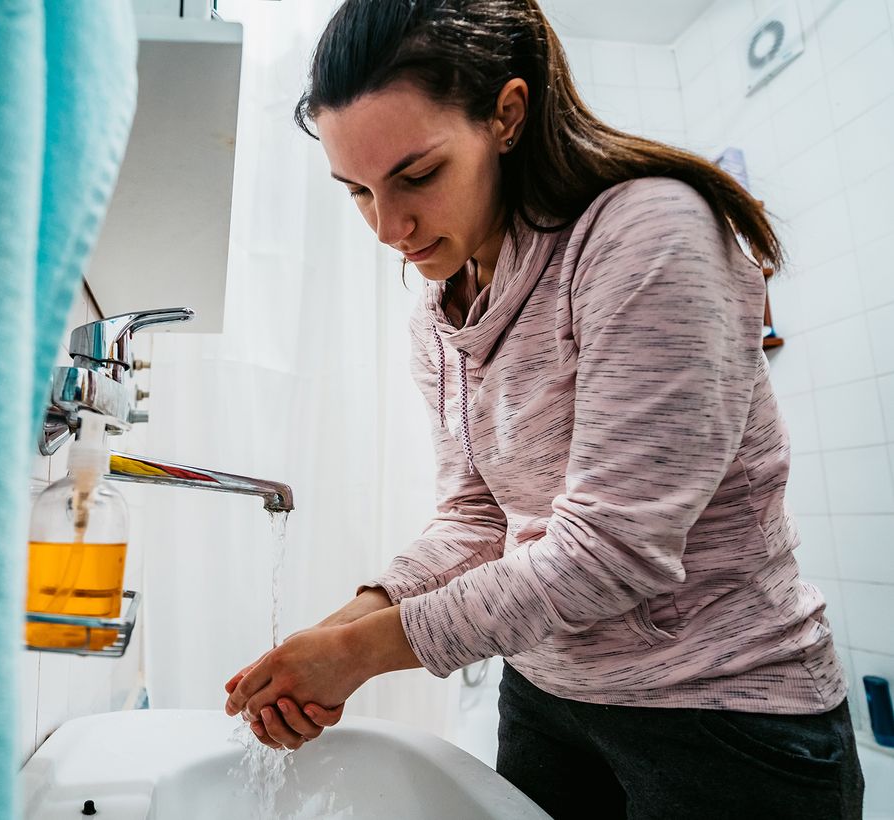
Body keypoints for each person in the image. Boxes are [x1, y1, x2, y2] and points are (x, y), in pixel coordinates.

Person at [222, 1, 866, 816]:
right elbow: (476, 516)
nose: (388, 227)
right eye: (358, 191)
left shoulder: (645, 233)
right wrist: (343, 627)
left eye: (417, 176)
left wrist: (360, 654)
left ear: (507, 115)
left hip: (724, 716)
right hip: (547, 702)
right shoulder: (440, 313)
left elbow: (613, 551)